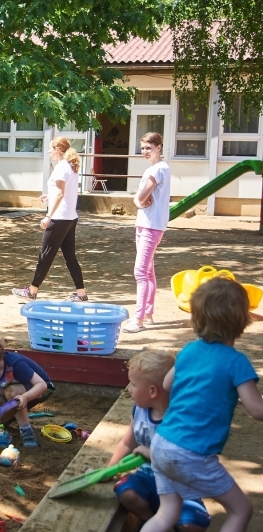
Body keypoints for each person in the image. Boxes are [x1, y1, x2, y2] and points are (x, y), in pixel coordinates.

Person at [141, 278, 263, 532]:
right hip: (191, 453)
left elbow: (166, 383)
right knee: (241, 510)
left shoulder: (189, 350)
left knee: (167, 513)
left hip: (162, 444)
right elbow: (256, 409)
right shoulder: (236, 362)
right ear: (243, 320)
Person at [108, 349, 210, 532]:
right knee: (126, 491)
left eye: (133, 384)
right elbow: (127, 443)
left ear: (152, 391)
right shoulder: (139, 411)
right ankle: (151, 521)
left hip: (181, 487)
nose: (129, 389)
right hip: (148, 479)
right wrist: (109, 470)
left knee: (192, 525)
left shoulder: (182, 420)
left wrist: (151, 453)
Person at [12, 137, 87, 302]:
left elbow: (61, 193)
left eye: (50, 148)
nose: (48, 151)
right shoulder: (70, 166)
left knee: (45, 255)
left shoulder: (61, 167)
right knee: (70, 256)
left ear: (58, 149)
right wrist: (49, 195)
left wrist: (48, 216)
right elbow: (64, 191)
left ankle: (32, 290)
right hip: (70, 218)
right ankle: (81, 294)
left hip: (59, 218)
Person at [123, 132, 171, 333]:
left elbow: (141, 198)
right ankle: (148, 314)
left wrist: (137, 201)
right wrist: (138, 201)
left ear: (159, 147)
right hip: (146, 223)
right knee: (148, 271)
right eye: (142, 148)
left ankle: (138, 319)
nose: (145, 151)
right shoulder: (156, 168)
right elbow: (141, 200)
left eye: (148, 148)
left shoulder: (158, 169)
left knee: (140, 271)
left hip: (151, 225)